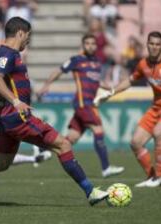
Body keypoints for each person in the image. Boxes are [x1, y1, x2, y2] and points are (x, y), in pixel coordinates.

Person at [0, 17, 109, 208]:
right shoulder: (7, 52)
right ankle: (91, 191)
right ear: (20, 32)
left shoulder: (9, 53)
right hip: (16, 116)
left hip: (8, 117)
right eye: (28, 35)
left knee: (1, 163)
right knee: (63, 145)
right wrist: (15, 101)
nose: (28, 40)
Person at [95, 31, 161, 187]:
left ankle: (159, 177)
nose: (154, 47)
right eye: (151, 43)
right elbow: (130, 80)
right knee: (135, 142)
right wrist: (112, 92)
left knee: (158, 132)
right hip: (156, 107)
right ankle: (151, 177)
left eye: (157, 44)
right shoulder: (143, 64)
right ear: (147, 44)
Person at [36, 34, 124, 178]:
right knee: (98, 130)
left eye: (93, 43)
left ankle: (42, 147)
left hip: (89, 104)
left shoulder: (97, 62)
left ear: (96, 46)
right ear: (83, 45)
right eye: (87, 43)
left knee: (71, 139)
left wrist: (108, 88)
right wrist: (47, 85)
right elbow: (59, 71)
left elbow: (96, 81)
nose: (90, 46)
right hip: (84, 104)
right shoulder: (76, 60)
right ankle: (106, 168)